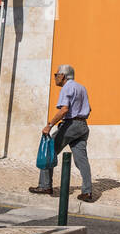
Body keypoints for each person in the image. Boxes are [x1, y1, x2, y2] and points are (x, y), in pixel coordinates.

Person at [29, 64, 94, 202]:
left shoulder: (67, 88)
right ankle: (87, 192)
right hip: (83, 125)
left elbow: (64, 110)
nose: (55, 77)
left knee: (48, 150)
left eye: (56, 75)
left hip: (70, 124)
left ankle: (45, 186)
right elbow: (88, 108)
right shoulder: (81, 88)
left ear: (62, 76)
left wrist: (49, 125)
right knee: (82, 160)